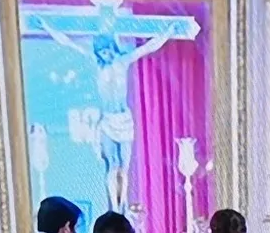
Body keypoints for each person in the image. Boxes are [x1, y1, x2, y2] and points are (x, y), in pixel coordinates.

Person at [36, 17, 178, 213]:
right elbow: (69, 42)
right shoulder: (97, 63)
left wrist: (167, 33)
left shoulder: (123, 61)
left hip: (124, 120)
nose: (106, 54)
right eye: (102, 52)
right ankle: (114, 206)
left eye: (108, 50)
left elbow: (147, 48)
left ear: (112, 47)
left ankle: (123, 206)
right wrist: (47, 26)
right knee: (112, 163)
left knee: (124, 167)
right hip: (108, 121)